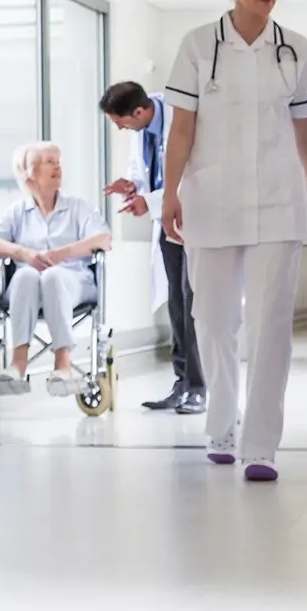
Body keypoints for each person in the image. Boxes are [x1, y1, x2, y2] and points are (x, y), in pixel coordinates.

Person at [158, 0, 307, 481]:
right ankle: (221, 423)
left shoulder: (297, 49)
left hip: (279, 205)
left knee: (270, 325)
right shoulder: (196, 45)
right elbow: (182, 127)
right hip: (210, 203)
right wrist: (169, 195)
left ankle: (260, 444)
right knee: (211, 320)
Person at [102, 81, 205, 415]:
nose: (120, 128)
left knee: (194, 304)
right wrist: (132, 186)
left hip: (193, 220)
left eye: (121, 121)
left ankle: (200, 386)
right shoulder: (143, 129)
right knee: (176, 303)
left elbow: (190, 176)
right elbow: (152, 175)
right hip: (166, 224)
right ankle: (182, 383)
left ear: (139, 111)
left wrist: (148, 200)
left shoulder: (183, 117)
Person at [0, 143, 113, 395]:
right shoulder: (18, 212)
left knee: (52, 275)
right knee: (27, 274)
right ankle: (18, 363)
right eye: (49, 161)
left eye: (58, 160)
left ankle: (62, 363)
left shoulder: (77, 208)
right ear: (29, 173)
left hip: (73, 283)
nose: (58, 166)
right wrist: (23, 253)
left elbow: (103, 240)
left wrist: (64, 253)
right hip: (25, 289)